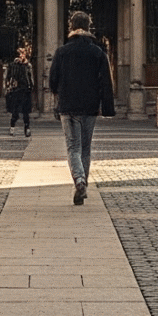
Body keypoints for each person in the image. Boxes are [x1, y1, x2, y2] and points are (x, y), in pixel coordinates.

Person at [45, 12, 115, 205]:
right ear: (88, 27)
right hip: (90, 107)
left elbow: (53, 81)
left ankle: (79, 181)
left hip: (68, 106)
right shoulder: (98, 52)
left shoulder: (62, 52)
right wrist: (107, 107)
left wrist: (58, 93)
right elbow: (106, 82)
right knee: (85, 148)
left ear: (72, 26)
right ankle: (83, 183)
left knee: (73, 147)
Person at [4, 44, 36, 138]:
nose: (22, 56)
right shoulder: (12, 65)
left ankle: (27, 128)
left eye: (23, 54)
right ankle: (12, 127)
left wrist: (31, 86)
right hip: (16, 90)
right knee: (15, 111)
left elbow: (31, 77)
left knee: (26, 112)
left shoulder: (28, 65)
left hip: (25, 90)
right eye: (21, 54)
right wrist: (8, 87)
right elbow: (7, 77)